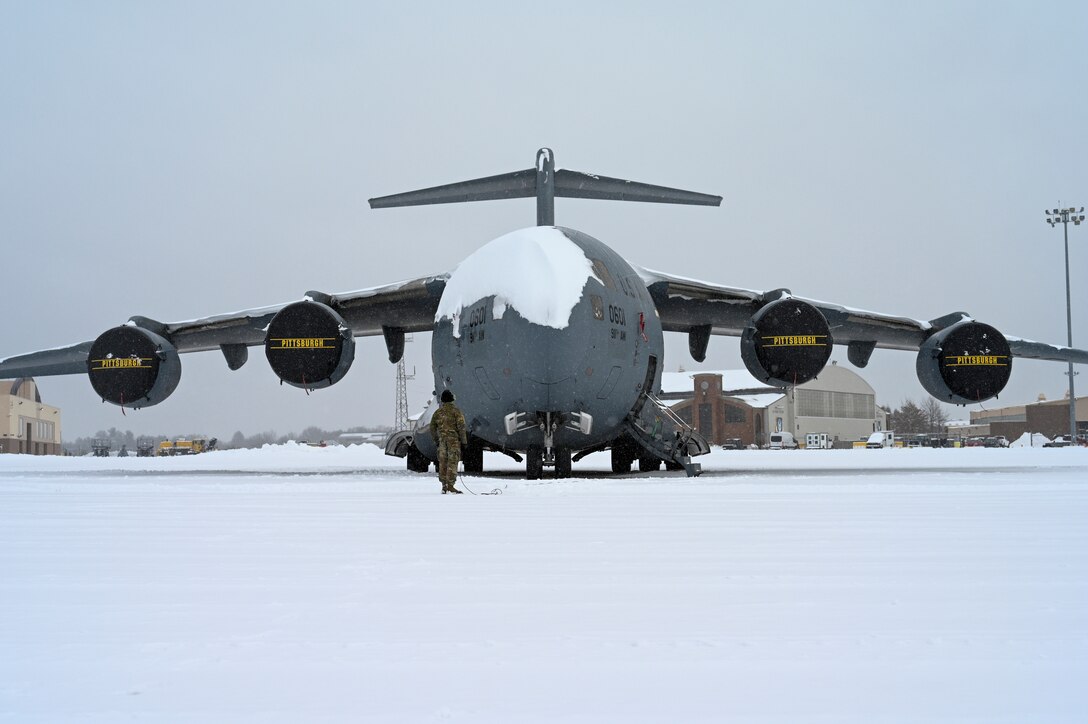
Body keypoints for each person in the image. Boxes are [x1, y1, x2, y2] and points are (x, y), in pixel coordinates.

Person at [429, 389, 467, 494]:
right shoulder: (456, 411)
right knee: (452, 462)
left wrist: (437, 440)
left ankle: (444, 485)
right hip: (453, 441)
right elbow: (461, 427)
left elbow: (432, 427)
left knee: (443, 462)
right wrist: (464, 442)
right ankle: (450, 485)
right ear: (451, 399)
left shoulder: (438, 412)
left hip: (442, 442)